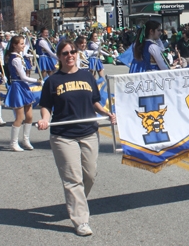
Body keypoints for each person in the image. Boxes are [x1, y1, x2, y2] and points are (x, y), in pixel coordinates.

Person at [37, 39, 116, 236]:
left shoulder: (87, 77)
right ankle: (81, 220)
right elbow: (46, 105)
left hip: (89, 132)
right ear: (59, 57)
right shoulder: (52, 81)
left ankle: (76, 201)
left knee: (89, 175)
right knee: (73, 179)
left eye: (72, 51)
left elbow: (95, 101)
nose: (70, 55)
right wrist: (45, 120)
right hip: (63, 136)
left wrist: (106, 113)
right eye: (65, 53)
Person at [4, 36, 42, 151]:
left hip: (24, 87)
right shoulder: (15, 59)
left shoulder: (20, 55)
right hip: (18, 86)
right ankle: (13, 143)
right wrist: (38, 81)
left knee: (29, 116)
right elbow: (23, 77)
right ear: (14, 45)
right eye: (21, 44)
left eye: (23, 43)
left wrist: (28, 36)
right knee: (20, 117)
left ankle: (26, 140)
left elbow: (27, 48)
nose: (23, 45)